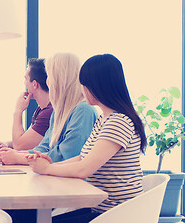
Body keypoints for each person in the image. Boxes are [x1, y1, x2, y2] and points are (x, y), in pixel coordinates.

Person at [27, 54, 146, 223]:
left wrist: (46, 169)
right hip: (101, 209)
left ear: (99, 87)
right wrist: (50, 164)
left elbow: (84, 169)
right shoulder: (105, 118)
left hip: (116, 214)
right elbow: (83, 157)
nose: (81, 89)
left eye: (84, 85)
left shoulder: (119, 122)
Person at [0, 53, 98, 165]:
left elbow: (66, 156)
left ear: (60, 78)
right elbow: (44, 147)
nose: (47, 81)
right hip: (58, 178)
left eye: (50, 75)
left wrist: (18, 158)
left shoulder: (83, 111)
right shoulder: (58, 112)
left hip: (73, 181)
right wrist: (15, 154)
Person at [0, 58, 53, 150]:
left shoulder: (48, 113)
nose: (25, 83)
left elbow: (20, 146)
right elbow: (27, 141)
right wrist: (6, 144)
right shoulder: (42, 109)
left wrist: (18, 111)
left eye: (26, 79)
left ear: (34, 84)